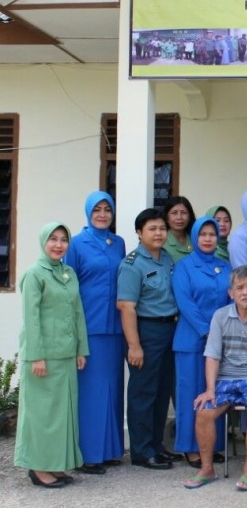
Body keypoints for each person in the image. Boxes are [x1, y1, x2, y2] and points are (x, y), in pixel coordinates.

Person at [182, 266, 247, 491]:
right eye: (240, 288)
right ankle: (207, 469)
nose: (245, 292)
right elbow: (212, 355)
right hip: (226, 378)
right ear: (231, 292)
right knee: (203, 410)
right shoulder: (220, 316)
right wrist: (210, 389)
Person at [14, 222, 89, 488]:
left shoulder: (68, 272)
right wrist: (36, 356)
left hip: (66, 355)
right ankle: (37, 467)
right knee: (42, 415)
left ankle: (55, 464)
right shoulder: (34, 274)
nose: (58, 245)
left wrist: (81, 348)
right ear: (43, 241)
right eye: (53, 239)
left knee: (61, 414)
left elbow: (78, 313)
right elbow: (31, 319)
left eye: (63, 240)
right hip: (43, 357)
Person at [63, 191, 126, 474]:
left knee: (113, 389)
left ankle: (111, 450)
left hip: (116, 327)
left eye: (107, 209)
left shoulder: (118, 243)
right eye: (97, 209)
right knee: (92, 392)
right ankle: (89, 454)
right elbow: (68, 286)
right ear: (88, 212)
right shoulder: (76, 244)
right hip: (89, 326)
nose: (102, 214)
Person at [117, 208, 183, 470]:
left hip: (169, 330)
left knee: (162, 391)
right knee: (143, 392)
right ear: (139, 233)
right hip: (146, 332)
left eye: (162, 228)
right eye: (152, 229)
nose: (159, 233)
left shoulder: (166, 259)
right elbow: (126, 307)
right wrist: (134, 345)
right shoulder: (132, 264)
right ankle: (142, 451)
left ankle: (157, 446)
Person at [172, 217, 232, 468]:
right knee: (191, 394)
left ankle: (212, 445)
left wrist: (221, 333)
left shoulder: (225, 266)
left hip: (220, 341)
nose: (208, 239)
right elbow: (184, 302)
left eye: (212, 234)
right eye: (203, 234)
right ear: (195, 237)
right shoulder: (184, 266)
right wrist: (206, 331)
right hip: (192, 340)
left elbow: (232, 299)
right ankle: (190, 447)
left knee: (214, 393)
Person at [163, 196, 197, 263]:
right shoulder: (161, 241)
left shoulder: (195, 238)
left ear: (190, 216)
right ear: (167, 217)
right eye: (174, 213)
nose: (179, 217)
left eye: (183, 212)